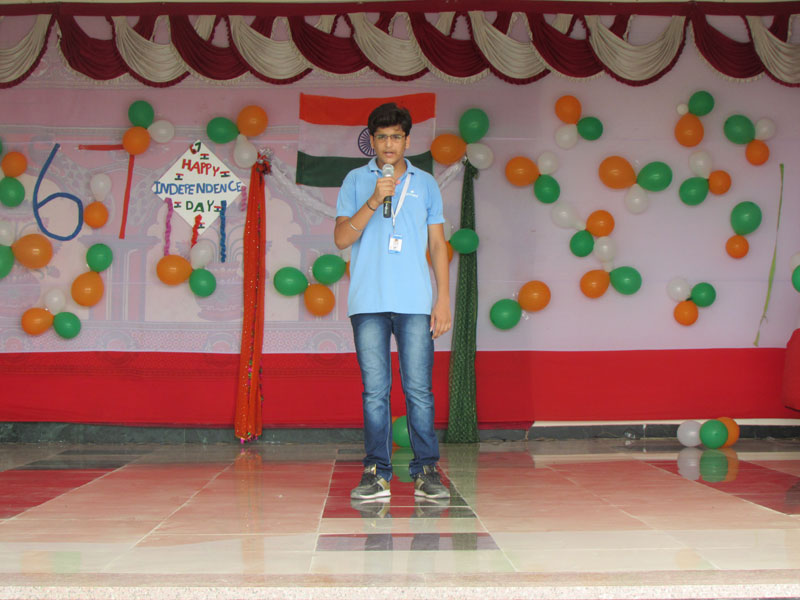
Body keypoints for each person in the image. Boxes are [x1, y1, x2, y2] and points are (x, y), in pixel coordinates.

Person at [334, 102, 452, 500]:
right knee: (375, 392)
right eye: (382, 137)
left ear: (407, 141)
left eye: (396, 137)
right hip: (368, 301)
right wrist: (373, 199)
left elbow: (438, 245)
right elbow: (341, 238)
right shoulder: (355, 180)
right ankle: (376, 472)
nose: (388, 144)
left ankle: (426, 471)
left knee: (419, 390)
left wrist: (443, 298)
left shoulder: (426, 183)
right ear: (371, 140)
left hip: (415, 301)